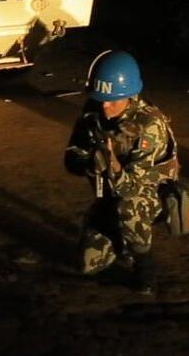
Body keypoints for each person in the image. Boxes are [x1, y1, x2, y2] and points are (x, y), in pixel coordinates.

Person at [64, 51, 178, 293]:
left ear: (129, 95)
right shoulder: (95, 108)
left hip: (149, 192)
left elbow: (130, 188)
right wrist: (88, 162)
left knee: (129, 207)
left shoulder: (149, 125)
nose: (105, 106)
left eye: (112, 101)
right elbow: (71, 156)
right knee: (88, 264)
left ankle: (145, 269)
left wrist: (113, 164)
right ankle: (120, 239)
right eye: (101, 99)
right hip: (110, 193)